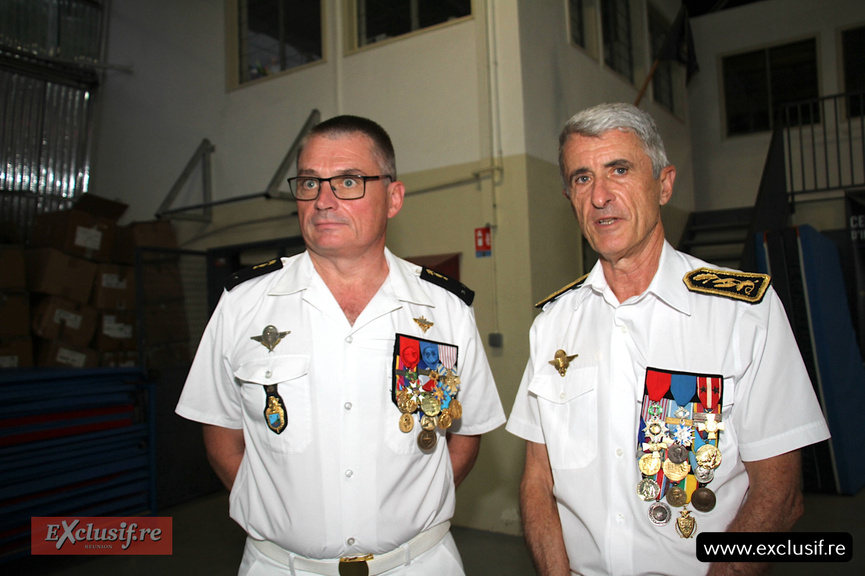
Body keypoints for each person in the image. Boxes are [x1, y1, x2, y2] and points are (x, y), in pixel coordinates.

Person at [506, 103, 830, 576]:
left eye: (619, 169)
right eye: (581, 178)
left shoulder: (743, 313)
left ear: (664, 183)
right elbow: (538, 479)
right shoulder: (554, 324)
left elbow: (779, 496)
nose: (599, 196)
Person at [176, 114, 506, 575]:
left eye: (348, 181)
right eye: (310, 183)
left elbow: (465, 435)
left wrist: (411, 506)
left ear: (393, 198)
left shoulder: (444, 309)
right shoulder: (243, 305)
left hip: (418, 564)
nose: (323, 201)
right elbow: (221, 432)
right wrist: (282, 514)